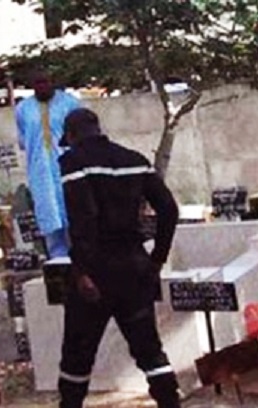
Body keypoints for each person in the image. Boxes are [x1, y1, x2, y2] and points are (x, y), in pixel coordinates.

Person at [57, 108, 181, 408]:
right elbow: (169, 210)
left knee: (78, 351)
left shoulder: (73, 162)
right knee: (149, 349)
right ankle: (170, 402)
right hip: (135, 267)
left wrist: (82, 271)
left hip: (96, 271)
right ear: (98, 129)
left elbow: (84, 218)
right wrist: (157, 259)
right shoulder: (135, 161)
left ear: (72, 136)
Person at [15, 69, 81, 258]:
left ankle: (81, 263)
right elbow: (22, 140)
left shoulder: (69, 103)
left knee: (74, 214)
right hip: (40, 172)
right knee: (48, 215)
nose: (42, 86)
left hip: (68, 167)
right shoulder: (23, 109)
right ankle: (59, 263)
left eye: (46, 81)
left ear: (53, 82)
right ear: (32, 85)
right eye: (38, 82)